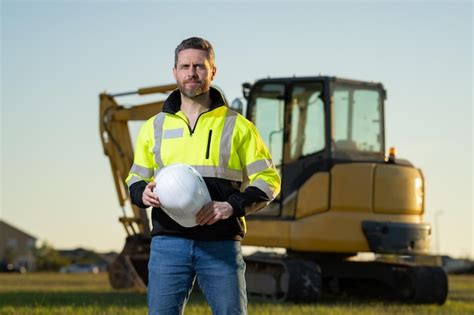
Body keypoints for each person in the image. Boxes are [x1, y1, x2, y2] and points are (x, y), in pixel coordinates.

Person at [126, 37, 281, 315]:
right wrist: (142, 193)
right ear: (174, 72)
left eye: (199, 66)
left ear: (213, 71)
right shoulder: (154, 127)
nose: (192, 72)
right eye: (185, 66)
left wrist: (232, 205)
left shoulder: (239, 126)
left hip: (221, 243)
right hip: (168, 243)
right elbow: (136, 176)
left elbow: (269, 180)